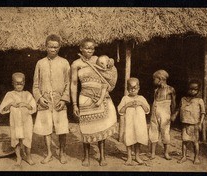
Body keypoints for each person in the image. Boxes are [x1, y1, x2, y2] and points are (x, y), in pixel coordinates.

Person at [71, 38, 118, 166]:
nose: (89, 51)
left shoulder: (98, 59)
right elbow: (74, 84)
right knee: (86, 128)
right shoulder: (76, 64)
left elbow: (110, 71)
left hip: (100, 98)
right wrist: (74, 104)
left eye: (92, 48)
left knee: (101, 126)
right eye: (86, 48)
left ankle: (102, 156)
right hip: (85, 98)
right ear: (81, 48)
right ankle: (86, 157)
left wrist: (111, 63)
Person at [33, 34, 70, 164]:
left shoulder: (64, 63)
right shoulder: (40, 63)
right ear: (46, 47)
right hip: (45, 101)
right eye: (50, 47)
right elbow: (35, 85)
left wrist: (64, 99)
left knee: (62, 128)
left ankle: (62, 153)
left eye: (55, 47)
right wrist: (39, 98)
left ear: (59, 47)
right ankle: (49, 153)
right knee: (46, 128)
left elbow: (68, 84)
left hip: (59, 101)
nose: (53, 49)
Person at [0, 72, 37, 166]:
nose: (19, 86)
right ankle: (19, 157)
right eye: (17, 84)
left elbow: (33, 107)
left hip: (26, 121)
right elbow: (3, 109)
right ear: (13, 83)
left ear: (24, 83)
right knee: (16, 138)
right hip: (15, 121)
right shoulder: (10, 94)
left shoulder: (27, 94)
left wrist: (26, 104)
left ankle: (28, 156)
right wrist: (11, 104)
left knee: (27, 138)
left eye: (21, 84)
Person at [172, 79, 205, 164]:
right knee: (184, 141)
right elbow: (179, 108)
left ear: (198, 90)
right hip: (185, 124)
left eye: (195, 89)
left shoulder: (199, 100)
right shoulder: (183, 99)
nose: (192, 91)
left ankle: (196, 157)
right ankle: (183, 156)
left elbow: (203, 113)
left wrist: (200, 123)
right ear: (187, 89)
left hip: (194, 124)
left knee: (195, 142)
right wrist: (175, 115)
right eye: (191, 89)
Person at [118, 78, 150, 166]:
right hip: (130, 123)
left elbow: (147, 110)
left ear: (138, 88)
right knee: (129, 138)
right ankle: (129, 157)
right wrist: (127, 105)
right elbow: (120, 110)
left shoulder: (142, 98)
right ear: (127, 89)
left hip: (139, 123)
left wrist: (141, 104)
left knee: (138, 139)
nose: (132, 90)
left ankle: (137, 156)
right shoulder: (125, 98)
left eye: (135, 88)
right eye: (130, 88)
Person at [149, 69, 176, 160]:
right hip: (155, 112)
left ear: (160, 79)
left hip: (165, 113)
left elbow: (174, 103)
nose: (153, 81)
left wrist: (172, 114)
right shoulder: (156, 90)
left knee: (165, 132)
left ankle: (166, 153)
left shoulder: (170, 90)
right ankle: (152, 153)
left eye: (154, 79)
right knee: (153, 130)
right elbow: (154, 102)